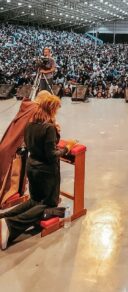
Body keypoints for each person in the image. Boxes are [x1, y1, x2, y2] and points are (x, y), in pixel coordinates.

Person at [0, 94, 76, 250]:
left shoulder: (30, 124)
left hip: (32, 166)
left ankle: (3, 217)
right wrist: (67, 147)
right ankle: (10, 225)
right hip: (46, 172)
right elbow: (51, 154)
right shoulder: (48, 128)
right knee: (48, 203)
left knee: (34, 200)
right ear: (51, 109)